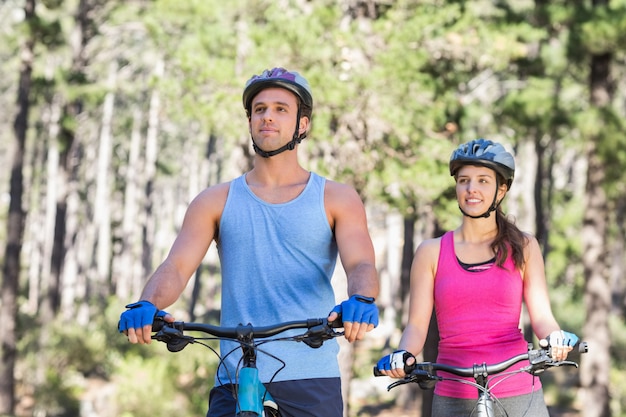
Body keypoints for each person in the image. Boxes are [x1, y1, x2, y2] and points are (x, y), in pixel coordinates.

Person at [118, 67, 379, 417]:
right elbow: (177, 267)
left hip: (310, 376)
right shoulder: (215, 200)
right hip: (234, 377)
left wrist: (361, 299)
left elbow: (361, 263)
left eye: (280, 109)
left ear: (302, 125)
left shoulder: (336, 198)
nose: (267, 116)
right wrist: (146, 304)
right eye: (259, 109)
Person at [375, 138, 579, 417]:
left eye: (483, 180)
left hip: (518, 388)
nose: (472, 189)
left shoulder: (524, 246)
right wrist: (402, 354)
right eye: (464, 180)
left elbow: (542, 316)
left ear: (501, 189)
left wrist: (555, 339)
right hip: (453, 390)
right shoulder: (431, 252)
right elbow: (416, 326)